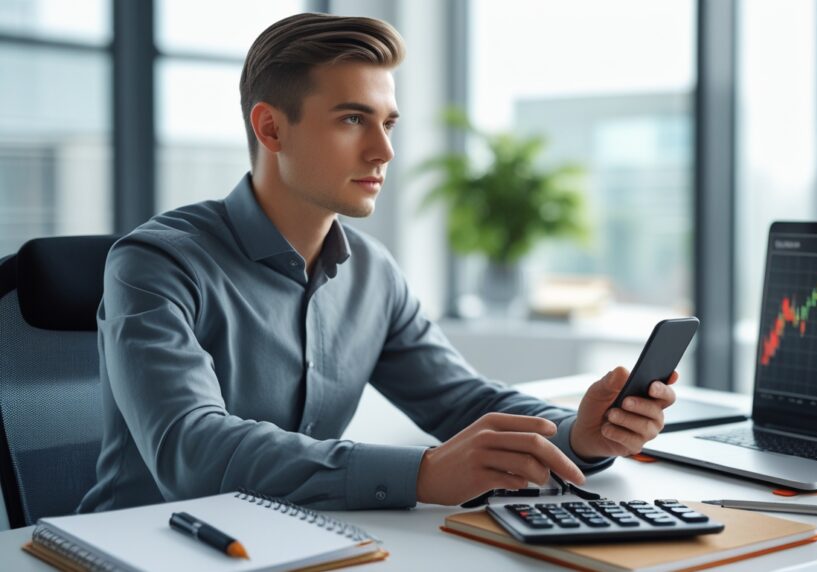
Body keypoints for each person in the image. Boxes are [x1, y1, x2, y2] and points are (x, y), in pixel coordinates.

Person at [78, 13, 677, 513]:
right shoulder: (155, 263)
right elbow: (192, 449)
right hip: (143, 547)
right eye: (352, 119)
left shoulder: (372, 272)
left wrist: (580, 434)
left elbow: (462, 401)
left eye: (387, 123)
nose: (384, 151)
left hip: (300, 541)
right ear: (271, 128)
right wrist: (420, 473)